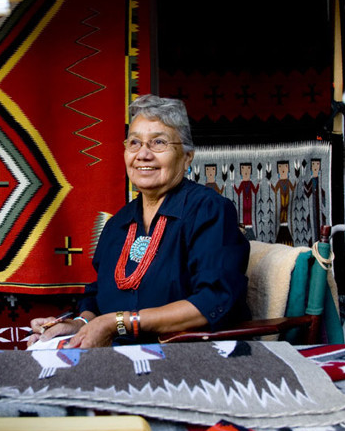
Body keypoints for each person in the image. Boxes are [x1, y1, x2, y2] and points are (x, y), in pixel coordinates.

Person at [26, 95, 250, 348]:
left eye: (158, 142)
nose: (143, 154)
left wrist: (118, 323)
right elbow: (97, 298)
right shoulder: (117, 225)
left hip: (190, 358)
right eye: (134, 142)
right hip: (120, 358)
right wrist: (79, 324)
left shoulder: (209, 211)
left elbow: (213, 300)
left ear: (187, 157)